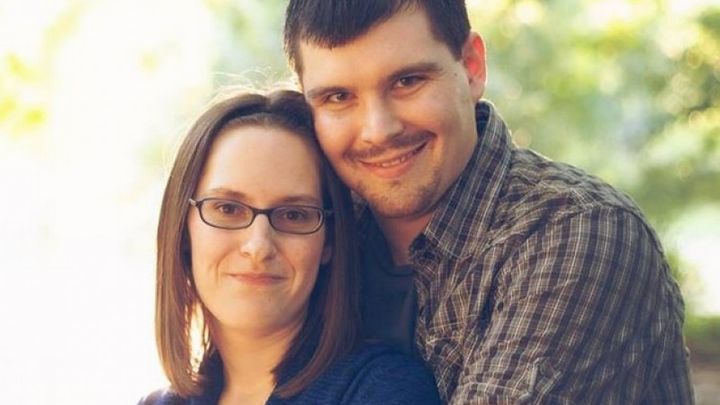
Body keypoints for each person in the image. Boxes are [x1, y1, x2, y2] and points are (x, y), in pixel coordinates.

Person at [282, 1, 694, 403]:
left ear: (472, 67)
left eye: (407, 81)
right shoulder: (310, 231)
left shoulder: (578, 232)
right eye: (338, 97)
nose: (378, 130)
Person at [138, 90, 441, 405]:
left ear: (329, 242)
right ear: (183, 230)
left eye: (294, 215)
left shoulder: (383, 391)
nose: (258, 246)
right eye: (228, 209)